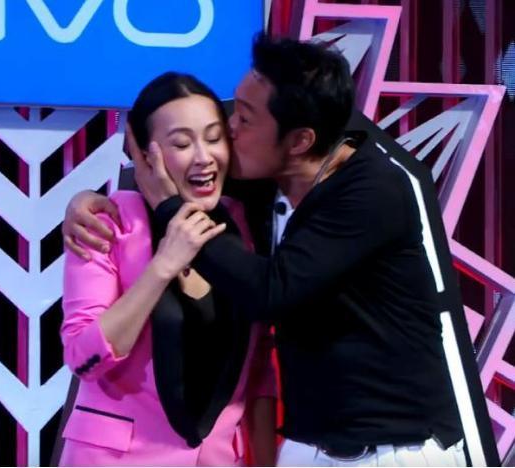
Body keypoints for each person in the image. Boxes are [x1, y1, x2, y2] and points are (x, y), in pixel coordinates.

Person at [63, 34, 466, 467]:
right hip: (302, 449)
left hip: (389, 451)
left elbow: (270, 292)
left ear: (299, 142)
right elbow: (178, 176)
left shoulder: (370, 191)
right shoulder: (255, 183)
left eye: (243, 120)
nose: (229, 133)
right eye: (232, 113)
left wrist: (169, 208)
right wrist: (82, 201)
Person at [59, 71, 276, 467]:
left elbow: (259, 367)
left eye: (214, 138)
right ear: (144, 154)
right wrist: (162, 266)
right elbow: (82, 357)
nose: (203, 157)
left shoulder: (243, 223)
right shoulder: (106, 223)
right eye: (181, 143)